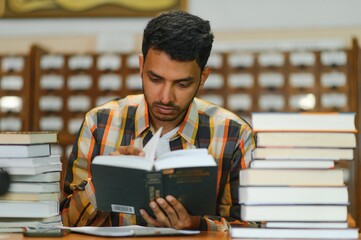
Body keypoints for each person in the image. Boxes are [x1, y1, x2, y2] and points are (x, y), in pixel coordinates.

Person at [60, 10, 255, 231]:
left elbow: (251, 228)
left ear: (203, 77)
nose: (165, 97)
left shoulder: (234, 134)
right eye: (155, 79)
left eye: (182, 84)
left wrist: (199, 225)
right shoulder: (99, 123)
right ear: (141, 66)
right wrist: (106, 181)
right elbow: (66, 222)